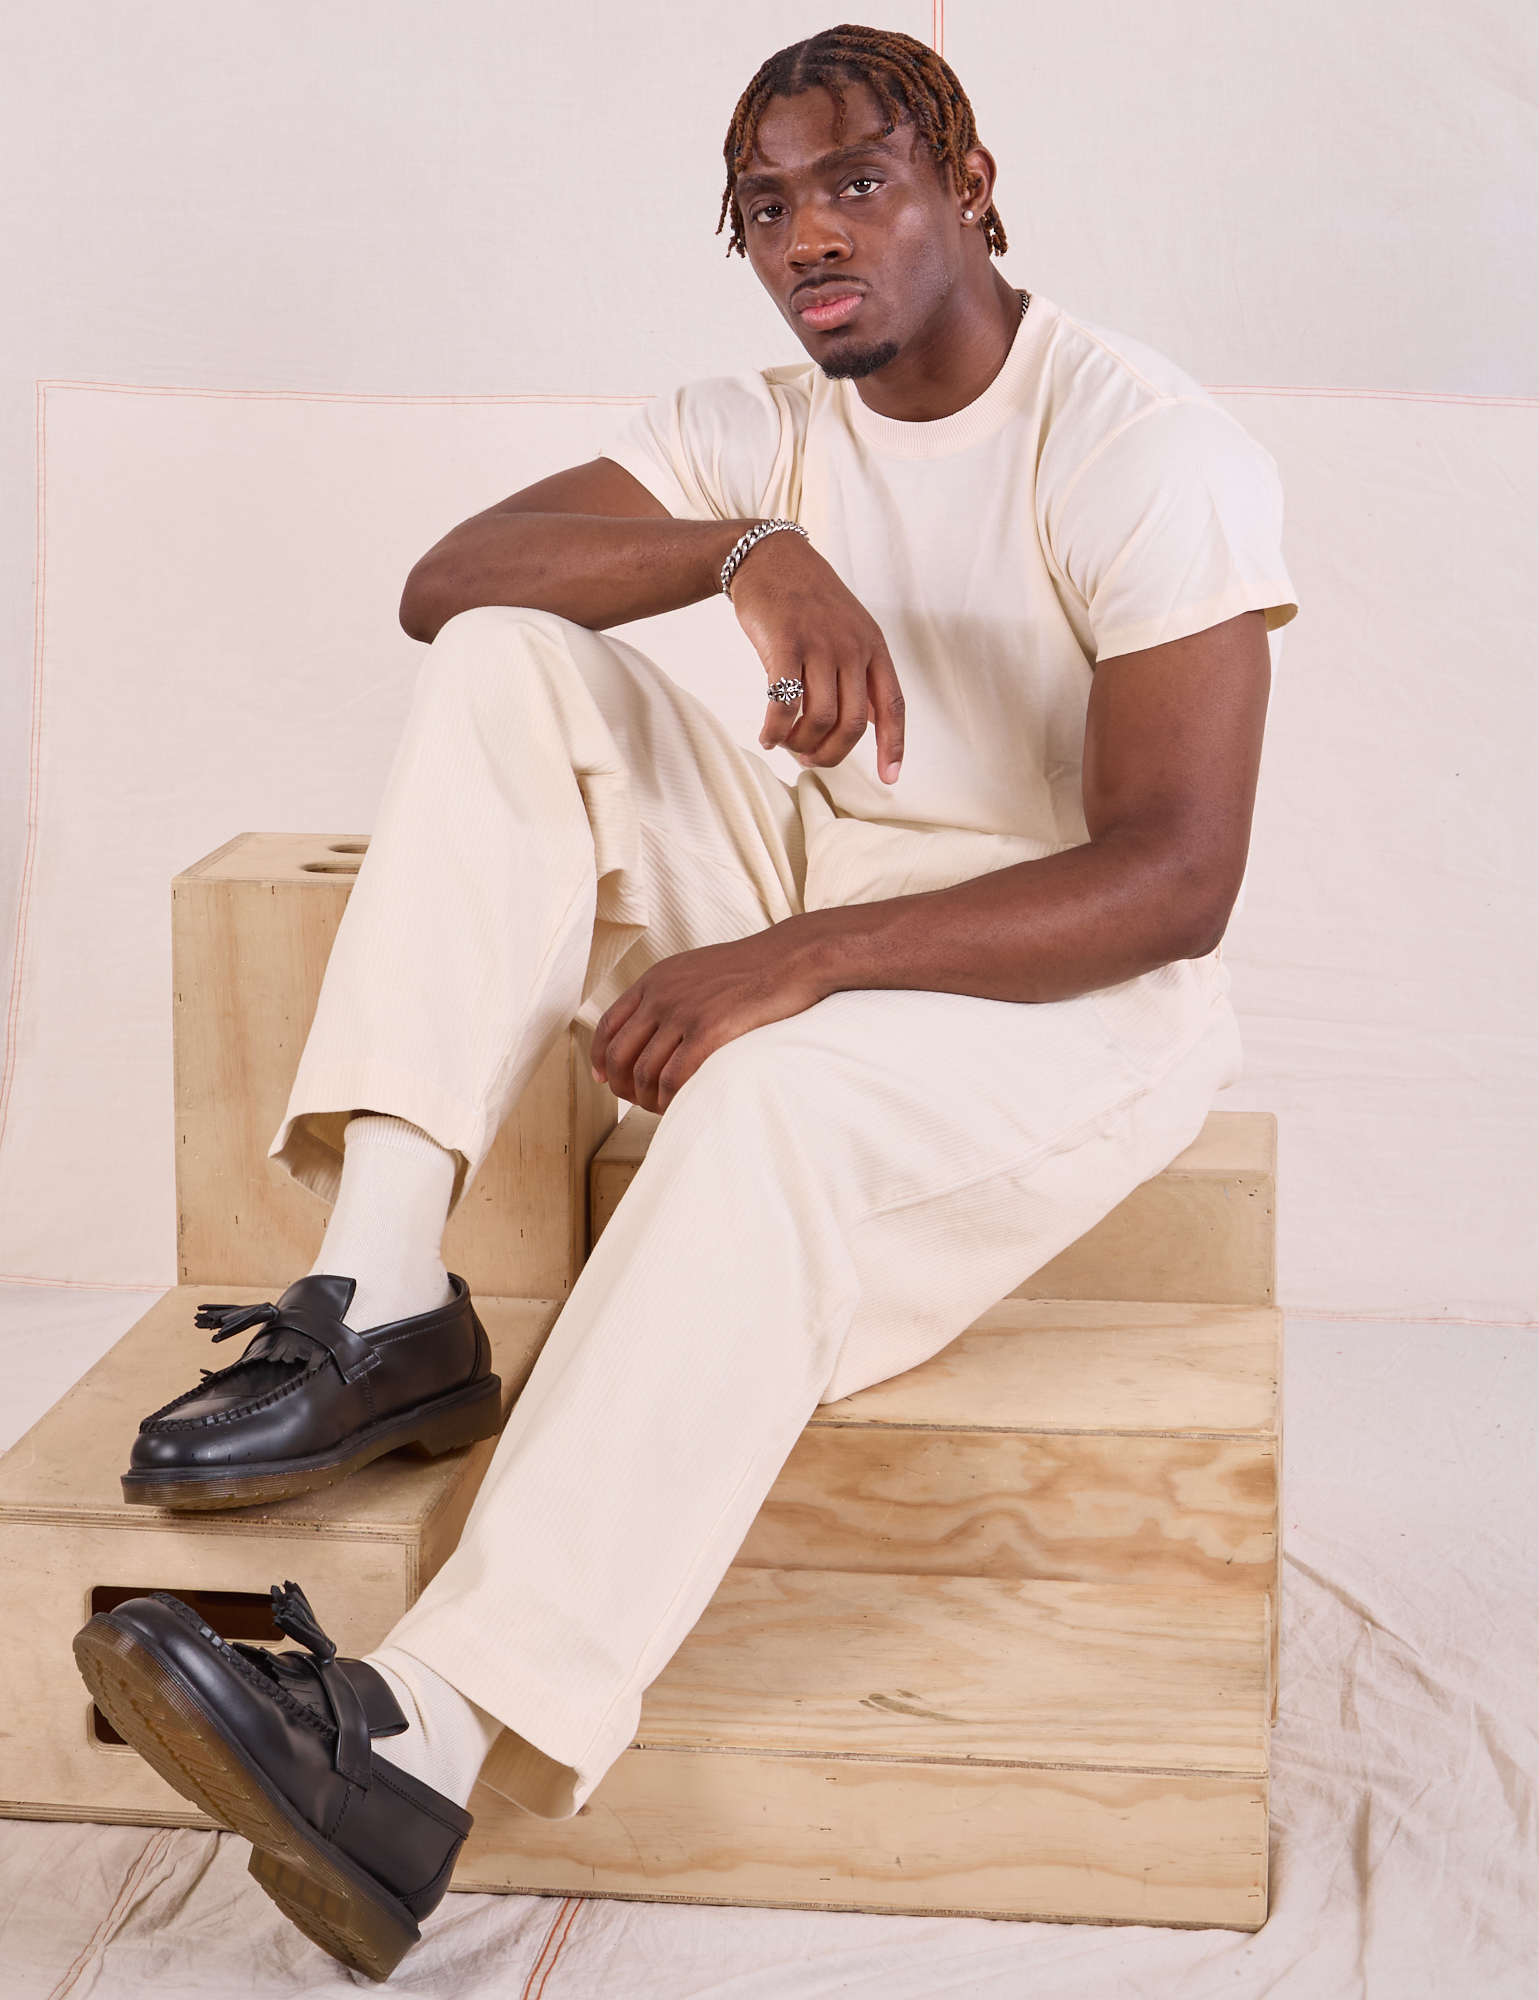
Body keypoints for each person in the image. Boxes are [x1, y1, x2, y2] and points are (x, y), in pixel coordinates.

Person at [74, 22, 1296, 1980]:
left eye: (856, 183)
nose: (808, 232)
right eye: (765, 206)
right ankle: (382, 1297)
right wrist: (744, 549)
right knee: (508, 658)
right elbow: (447, 578)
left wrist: (787, 965)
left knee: (767, 1108)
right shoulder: (762, 425)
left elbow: (1174, 874)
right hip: (826, 880)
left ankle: (417, 1738)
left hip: (1070, 997)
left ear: (969, 185)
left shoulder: (1143, 446)